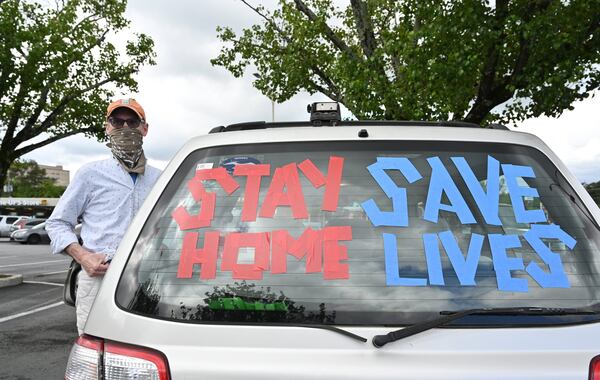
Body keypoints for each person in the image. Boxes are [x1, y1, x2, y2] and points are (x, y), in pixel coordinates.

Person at [46, 98, 162, 335]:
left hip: (148, 280)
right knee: (96, 347)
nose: (125, 128)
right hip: (99, 276)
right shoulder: (91, 174)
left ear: (145, 128)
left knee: (145, 347)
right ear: (107, 127)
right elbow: (57, 223)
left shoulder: (161, 178)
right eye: (117, 122)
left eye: (132, 122)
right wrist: (83, 257)